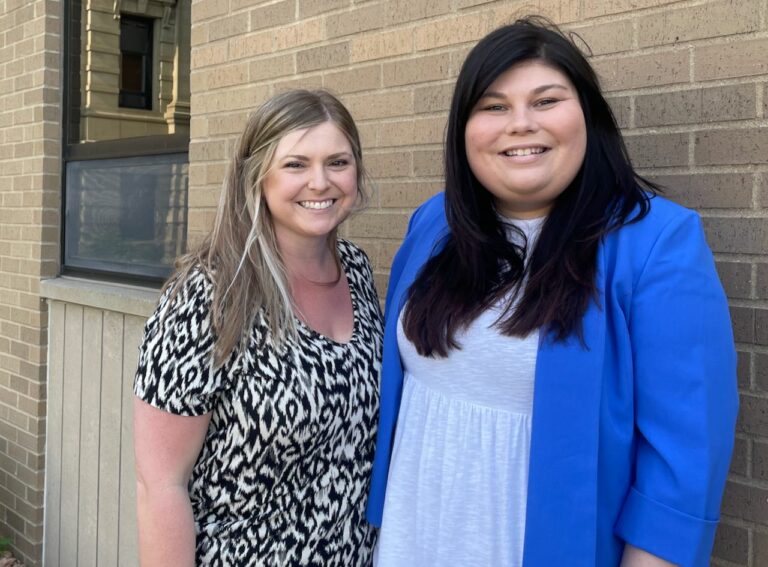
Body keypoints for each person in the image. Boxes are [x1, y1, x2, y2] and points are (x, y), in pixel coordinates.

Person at [367, 17, 737, 567]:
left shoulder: (656, 243)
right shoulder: (433, 225)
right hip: (412, 539)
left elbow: (685, 461)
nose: (520, 124)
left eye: (546, 101)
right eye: (493, 106)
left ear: (588, 115)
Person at [133, 89, 383, 566]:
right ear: (257, 176)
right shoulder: (208, 294)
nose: (320, 182)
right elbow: (160, 484)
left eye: (337, 162)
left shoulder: (356, 270)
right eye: (295, 165)